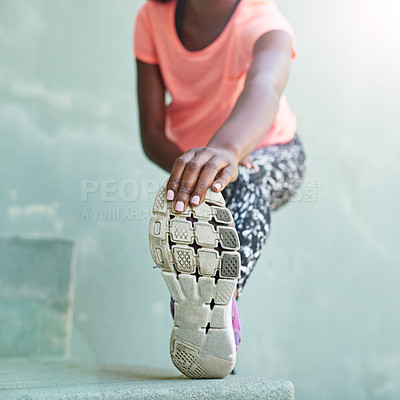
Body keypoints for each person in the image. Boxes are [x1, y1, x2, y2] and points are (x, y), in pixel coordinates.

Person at [134, 0, 307, 378]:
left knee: (245, 180)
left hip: (271, 151)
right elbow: (151, 133)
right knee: (200, 209)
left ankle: (219, 299)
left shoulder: (263, 21)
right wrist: (195, 170)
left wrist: (227, 150)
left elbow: (266, 85)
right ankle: (208, 324)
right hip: (200, 160)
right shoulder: (152, 17)